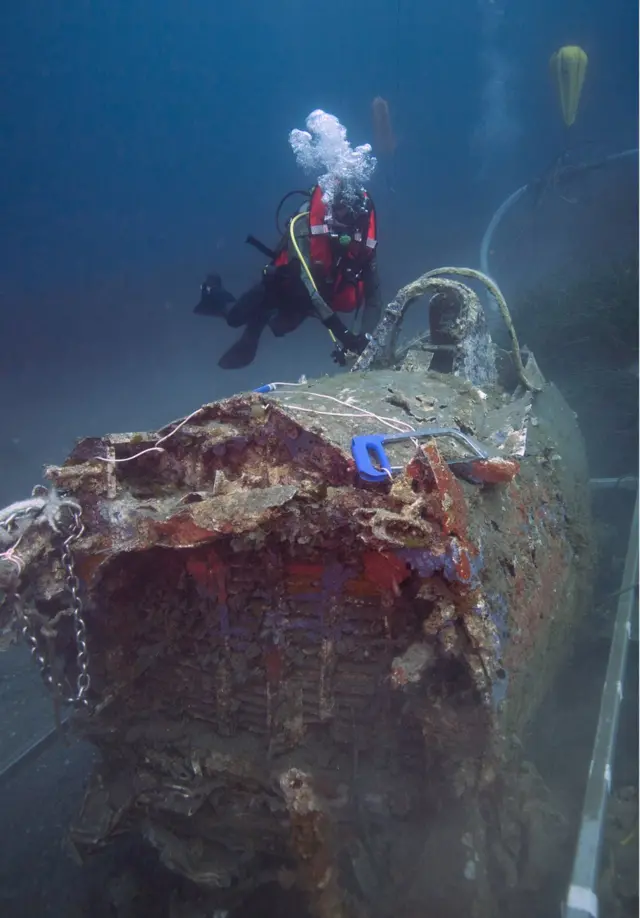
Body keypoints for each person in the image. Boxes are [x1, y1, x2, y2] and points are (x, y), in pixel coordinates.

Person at [194, 183, 382, 369]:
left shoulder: (363, 244)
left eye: (351, 213)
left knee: (280, 325)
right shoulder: (304, 227)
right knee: (234, 318)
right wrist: (345, 335)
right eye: (339, 210)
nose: (345, 220)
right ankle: (212, 290)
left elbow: (373, 297)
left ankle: (256, 328)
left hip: (306, 302)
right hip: (280, 286)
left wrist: (365, 337)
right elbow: (308, 285)